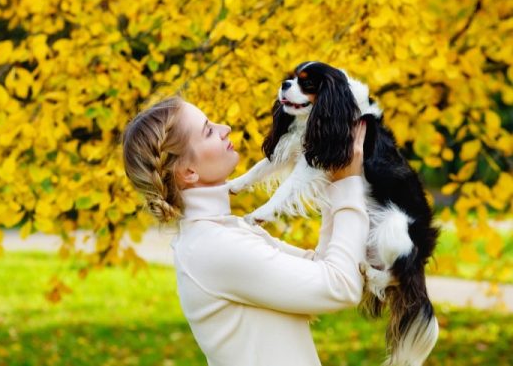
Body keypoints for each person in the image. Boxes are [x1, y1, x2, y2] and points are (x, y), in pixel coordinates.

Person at [122, 96, 369, 366]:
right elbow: (340, 286)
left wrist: (334, 180)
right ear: (188, 171)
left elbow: (322, 270)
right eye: (208, 130)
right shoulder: (215, 247)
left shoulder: (222, 233)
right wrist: (348, 182)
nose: (224, 128)